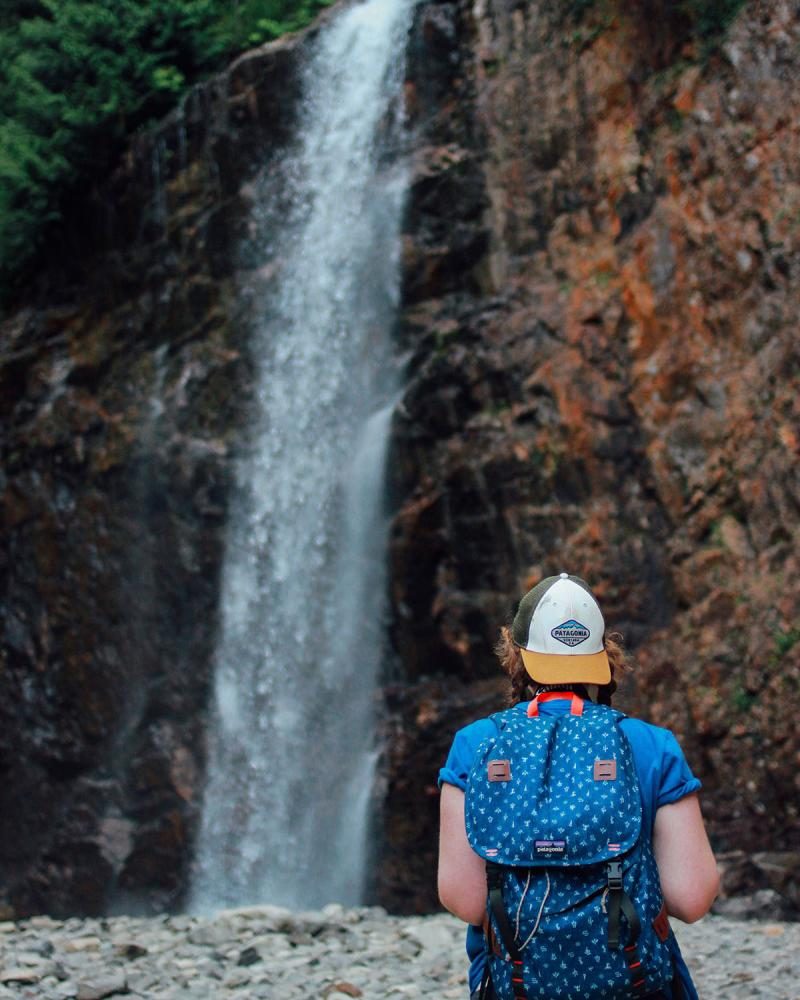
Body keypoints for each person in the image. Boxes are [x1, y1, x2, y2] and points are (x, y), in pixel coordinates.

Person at [437, 573, 719, 1000]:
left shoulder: (475, 746)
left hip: (519, 985)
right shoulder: (651, 746)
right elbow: (693, 898)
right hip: (634, 983)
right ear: (605, 656)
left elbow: (465, 899)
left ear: (516, 654)